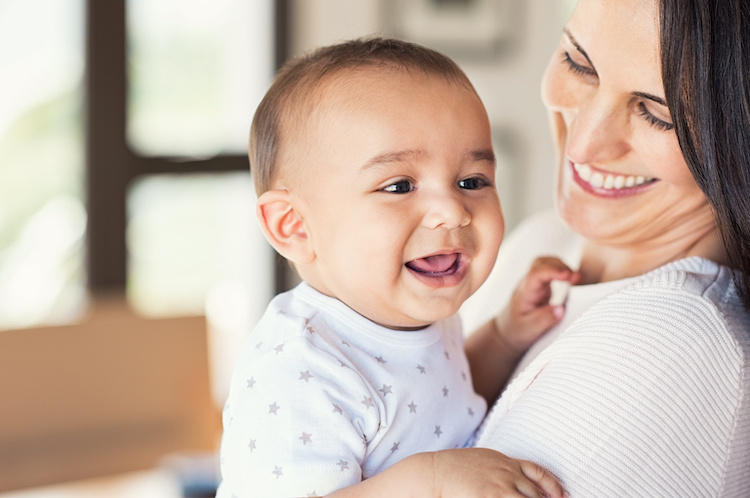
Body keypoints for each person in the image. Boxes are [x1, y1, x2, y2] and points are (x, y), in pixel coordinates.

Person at [215, 37, 574, 498]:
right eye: (400, 185)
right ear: (295, 227)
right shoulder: (299, 369)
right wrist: (434, 481)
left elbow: (441, 399)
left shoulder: (417, 316)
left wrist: (506, 335)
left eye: (472, 181)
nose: (453, 210)